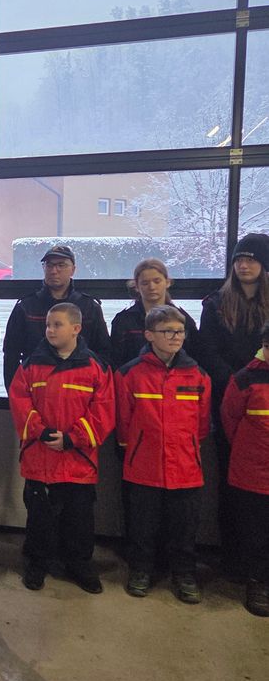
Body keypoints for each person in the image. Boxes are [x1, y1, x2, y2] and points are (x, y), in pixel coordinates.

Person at [8, 302, 114, 594]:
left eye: (57, 325)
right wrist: (40, 432)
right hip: (40, 457)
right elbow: (19, 401)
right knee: (39, 517)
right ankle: (37, 562)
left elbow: (104, 410)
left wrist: (72, 438)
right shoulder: (30, 365)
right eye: (48, 325)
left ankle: (79, 564)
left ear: (76, 328)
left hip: (78, 460)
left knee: (79, 519)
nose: (50, 330)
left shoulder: (95, 367)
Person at [115, 305, 211, 604]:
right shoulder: (129, 374)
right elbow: (123, 421)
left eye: (179, 331)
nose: (175, 337)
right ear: (149, 335)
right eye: (167, 331)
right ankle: (141, 570)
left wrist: (189, 446)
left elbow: (202, 424)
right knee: (143, 525)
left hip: (185, 466)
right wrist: (133, 448)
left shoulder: (198, 375)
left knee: (184, 526)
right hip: (144, 465)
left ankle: (184, 574)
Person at [199, 232, 269, 573]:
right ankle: (233, 558)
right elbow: (207, 351)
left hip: (264, 402)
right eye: (239, 259)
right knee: (231, 480)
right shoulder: (215, 304)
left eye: (251, 259)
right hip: (228, 400)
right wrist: (236, 382)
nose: (243, 265)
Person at [3, 244, 111, 391]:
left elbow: (104, 354)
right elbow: (11, 355)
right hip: (36, 387)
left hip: (80, 389)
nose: (54, 271)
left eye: (61, 265)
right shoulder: (26, 307)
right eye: (49, 265)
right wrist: (15, 394)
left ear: (73, 269)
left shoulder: (89, 307)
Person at [220, 320, 269, 617]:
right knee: (255, 533)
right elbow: (230, 420)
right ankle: (257, 581)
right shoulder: (244, 379)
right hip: (253, 473)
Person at [110, 258, 201, 368]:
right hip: (134, 376)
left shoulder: (184, 319)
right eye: (145, 283)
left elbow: (195, 357)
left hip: (175, 376)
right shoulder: (123, 320)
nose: (152, 287)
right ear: (137, 286)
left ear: (167, 282)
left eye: (157, 281)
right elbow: (115, 360)